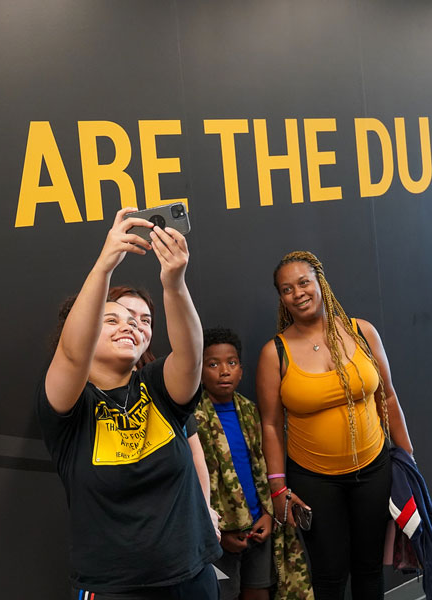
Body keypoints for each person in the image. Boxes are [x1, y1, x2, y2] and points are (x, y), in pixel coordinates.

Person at [36, 207, 221, 600]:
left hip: (191, 579)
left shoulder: (156, 386)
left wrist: (174, 283)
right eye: (112, 320)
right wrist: (105, 265)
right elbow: (72, 355)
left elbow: (190, 356)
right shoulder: (70, 406)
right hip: (115, 589)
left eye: (140, 322)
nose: (131, 325)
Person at [256, 251, 415, 600]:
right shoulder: (274, 353)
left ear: (320, 283)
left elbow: (387, 397)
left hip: (373, 470)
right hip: (314, 480)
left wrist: (408, 461)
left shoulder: (362, 332)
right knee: (329, 575)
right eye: (286, 289)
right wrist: (278, 489)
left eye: (303, 282)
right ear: (281, 298)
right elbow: (270, 426)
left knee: (369, 569)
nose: (297, 293)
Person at [195, 327, 313, 600]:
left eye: (231, 363)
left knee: (258, 591)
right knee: (221, 594)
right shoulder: (193, 417)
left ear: (241, 370)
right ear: (199, 371)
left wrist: (268, 515)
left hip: (258, 525)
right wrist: (217, 533)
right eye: (213, 364)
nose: (224, 371)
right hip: (218, 533)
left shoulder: (250, 411)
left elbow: (263, 467)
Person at [108, 285, 221, 540]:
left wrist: (204, 510)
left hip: (178, 527)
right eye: (124, 315)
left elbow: (195, 455)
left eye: (145, 320)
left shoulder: (164, 383)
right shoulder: (84, 393)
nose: (134, 325)